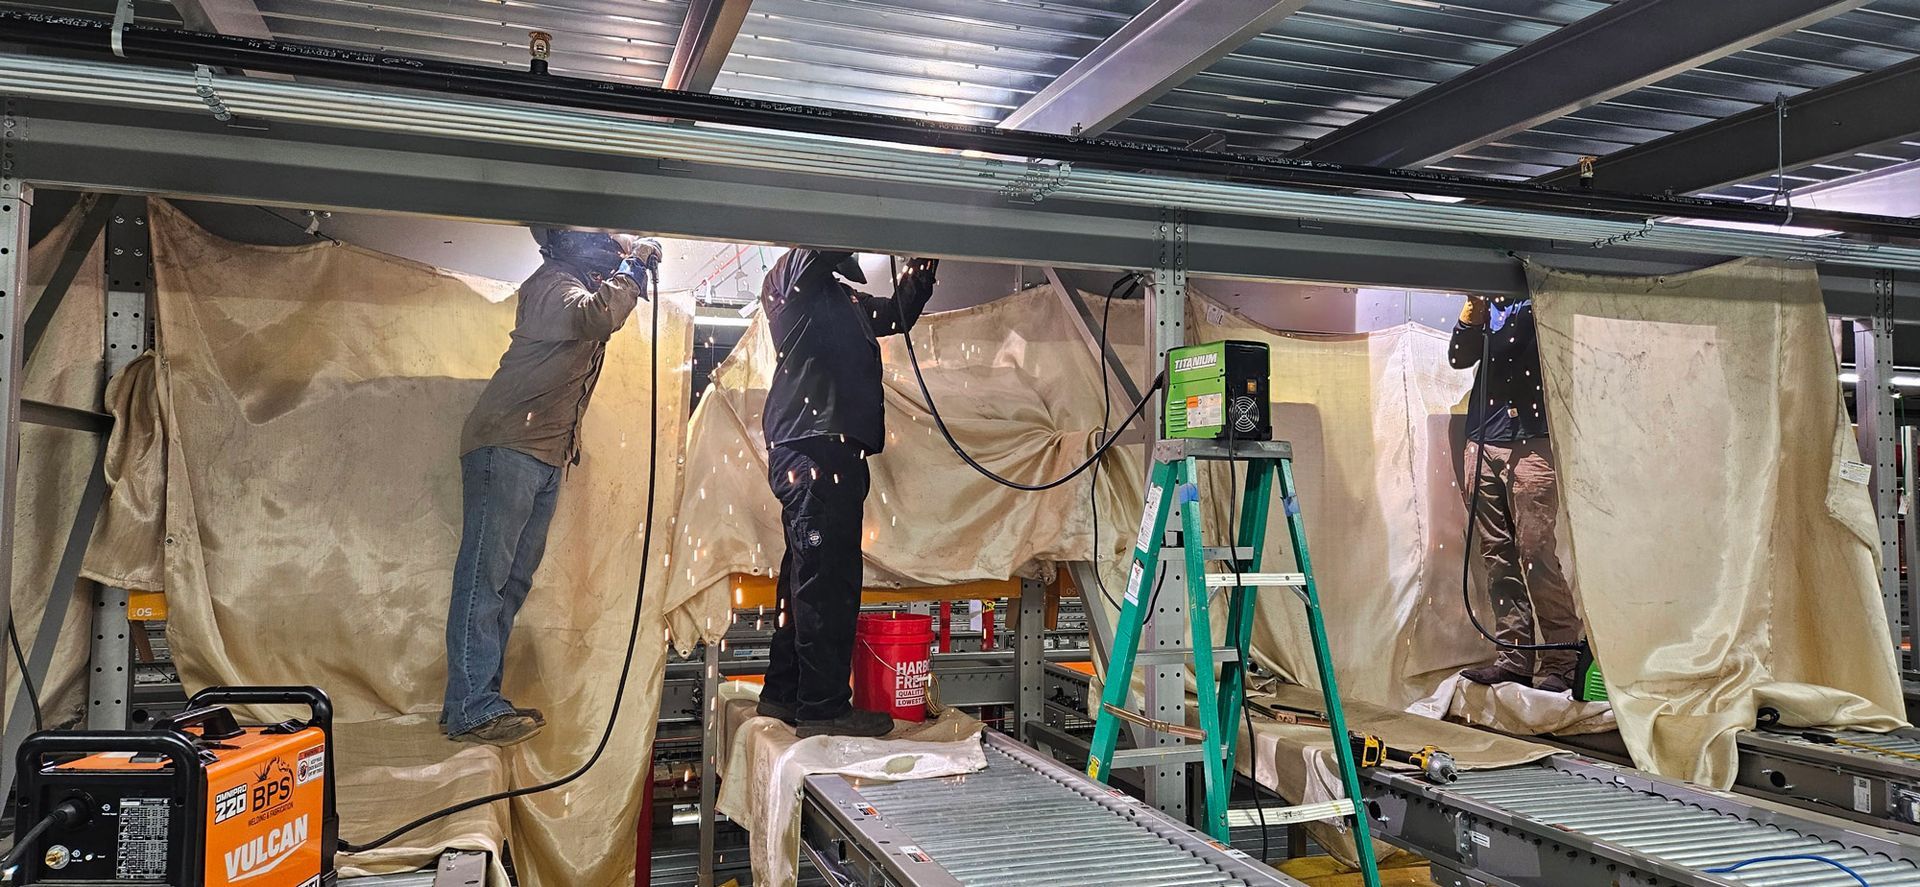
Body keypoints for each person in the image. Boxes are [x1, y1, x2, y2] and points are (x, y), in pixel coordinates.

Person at [442, 227, 661, 745]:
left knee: (511, 582)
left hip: (542, 453)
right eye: (604, 239)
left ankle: (474, 702)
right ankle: (472, 705)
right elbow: (596, 316)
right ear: (568, 244)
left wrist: (628, 270)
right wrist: (634, 266)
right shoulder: (552, 283)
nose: (614, 245)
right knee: (486, 577)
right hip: (508, 446)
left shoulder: (577, 282)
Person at [756, 249, 939, 738]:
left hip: (829, 454)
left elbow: (896, 314)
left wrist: (925, 260)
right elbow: (813, 241)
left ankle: (785, 694)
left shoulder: (843, 301)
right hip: (816, 451)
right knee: (827, 585)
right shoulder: (794, 282)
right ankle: (823, 708)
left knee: (805, 578)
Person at [1450, 293, 1581, 695]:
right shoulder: (1485, 307)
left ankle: (1562, 659)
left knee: (1535, 553)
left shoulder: (1534, 303)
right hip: (1482, 440)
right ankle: (1514, 657)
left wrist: (1495, 308)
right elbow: (1459, 357)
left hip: (1531, 442)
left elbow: (1513, 344)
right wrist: (1472, 313)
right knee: (1496, 554)